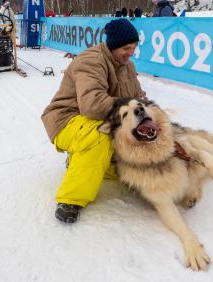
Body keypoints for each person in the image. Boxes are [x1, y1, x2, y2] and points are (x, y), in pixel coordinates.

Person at [41, 19, 146, 223]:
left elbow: (138, 97)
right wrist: (132, 111)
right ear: (114, 45)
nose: (131, 52)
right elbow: (92, 104)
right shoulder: (91, 60)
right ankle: (71, 199)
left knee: (125, 157)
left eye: (134, 47)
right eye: (126, 48)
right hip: (66, 120)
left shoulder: (127, 66)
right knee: (101, 134)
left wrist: (147, 117)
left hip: (97, 120)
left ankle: (79, 161)